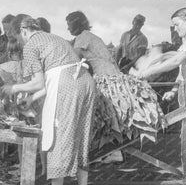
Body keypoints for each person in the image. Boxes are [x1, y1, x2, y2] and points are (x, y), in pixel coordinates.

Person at [2, 15, 96, 185]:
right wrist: (31, 99)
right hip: (85, 82)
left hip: (66, 85)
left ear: (23, 31)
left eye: (17, 37)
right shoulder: (55, 38)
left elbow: (38, 82)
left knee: (56, 134)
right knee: (81, 135)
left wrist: (14, 88)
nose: (19, 42)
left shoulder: (30, 45)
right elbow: (53, 78)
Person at [66, 11, 165, 151]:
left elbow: (73, 60)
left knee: (96, 113)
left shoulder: (82, 38)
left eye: (69, 25)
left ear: (76, 24)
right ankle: (112, 149)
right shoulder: (92, 36)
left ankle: (105, 148)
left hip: (107, 80)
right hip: (115, 76)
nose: (68, 28)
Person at [139, 8, 186, 185]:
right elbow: (184, 69)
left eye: (177, 24)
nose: (175, 29)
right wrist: (174, 90)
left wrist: (147, 72)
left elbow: (175, 62)